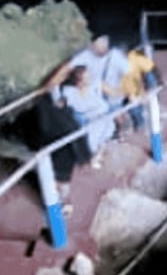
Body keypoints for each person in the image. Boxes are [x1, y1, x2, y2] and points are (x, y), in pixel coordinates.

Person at [36, 61, 89, 191]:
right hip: (55, 127)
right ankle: (58, 187)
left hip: (63, 124)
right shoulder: (56, 92)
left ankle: (60, 186)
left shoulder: (63, 88)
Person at [61, 64, 114, 155]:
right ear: (79, 82)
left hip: (102, 118)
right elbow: (60, 105)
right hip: (88, 123)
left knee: (102, 139)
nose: (90, 78)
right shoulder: (70, 93)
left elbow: (114, 92)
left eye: (89, 76)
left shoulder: (95, 85)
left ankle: (99, 153)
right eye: (87, 77)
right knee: (91, 145)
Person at [116, 47, 158, 130]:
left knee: (135, 106)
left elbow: (150, 69)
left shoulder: (134, 58)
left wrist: (149, 89)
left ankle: (139, 121)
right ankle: (136, 121)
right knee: (131, 105)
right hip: (121, 90)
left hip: (135, 87)